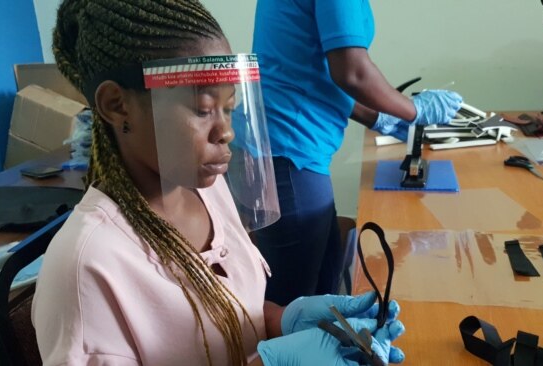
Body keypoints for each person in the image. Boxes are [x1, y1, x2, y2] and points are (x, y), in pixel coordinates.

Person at [31, 1, 404, 365]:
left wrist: (285, 318)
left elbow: (233, 312)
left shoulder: (209, 191)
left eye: (229, 107)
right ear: (117, 105)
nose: (225, 132)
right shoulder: (88, 266)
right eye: (202, 109)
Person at [252, 0, 464, 305]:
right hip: (291, 151)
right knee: (294, 303)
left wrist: (380, 118)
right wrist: (415, 110)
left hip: (288, 148)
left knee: (325, 286)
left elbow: (315, 71)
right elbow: (353, 73)